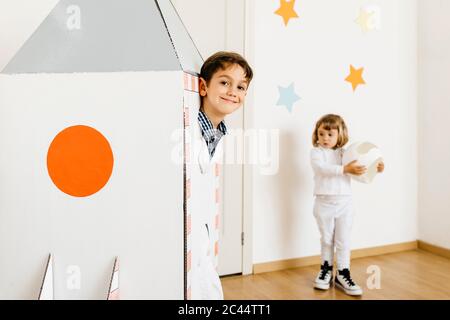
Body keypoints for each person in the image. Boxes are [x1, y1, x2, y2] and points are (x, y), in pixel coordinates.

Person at [192, 51, 253, 299]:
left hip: (203, 229)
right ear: (204, 87)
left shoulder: (218, 132)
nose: (232, 92)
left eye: (240, 87)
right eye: (225, 82)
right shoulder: (190, 129)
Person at [310, 114, 384, 296]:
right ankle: (325, 269)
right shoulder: (317, 152)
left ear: (340, 135)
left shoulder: (345, 153)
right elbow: (321, 169)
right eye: (321, 134)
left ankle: (343, 273)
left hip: (345, 203)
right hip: (323, 202)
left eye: (330, 134)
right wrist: (344, 169)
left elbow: (359, 171)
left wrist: (376, 167)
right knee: (327, 238)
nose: (325, 138)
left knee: (343, 240)